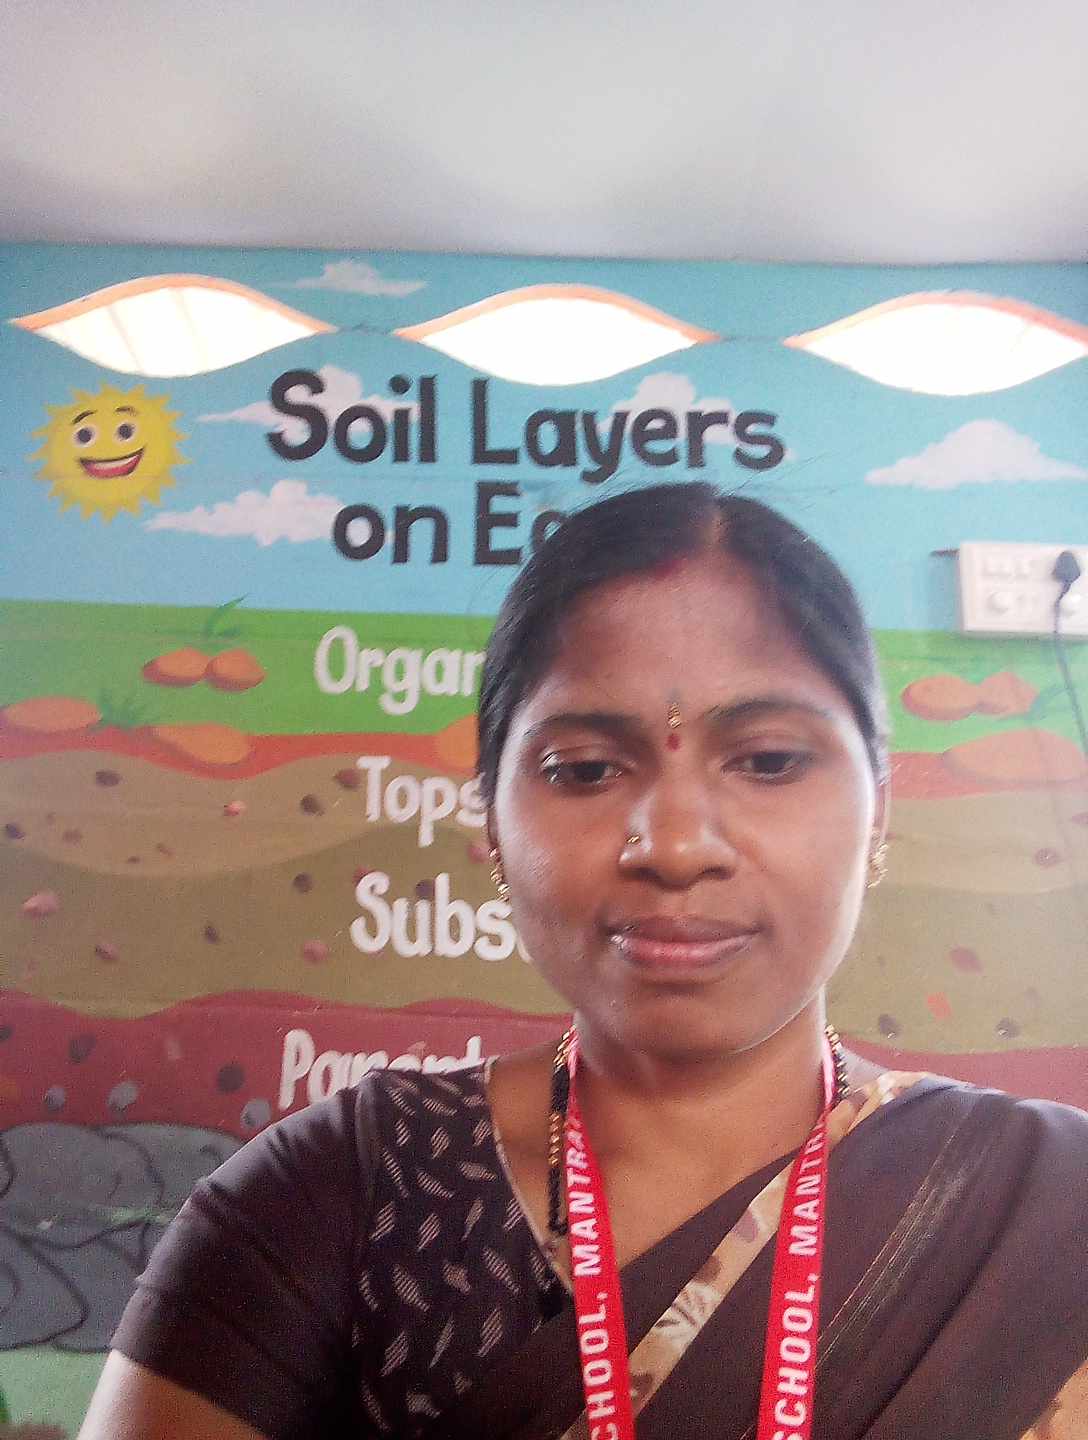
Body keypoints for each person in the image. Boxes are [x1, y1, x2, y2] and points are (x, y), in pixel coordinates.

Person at [79, 482, 1088, 1440]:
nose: (675, 845)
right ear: (490, 819)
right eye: (586, 769)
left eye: (769, 760)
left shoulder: (1049, 1207)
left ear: (878, 808)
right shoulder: (335, 1199)